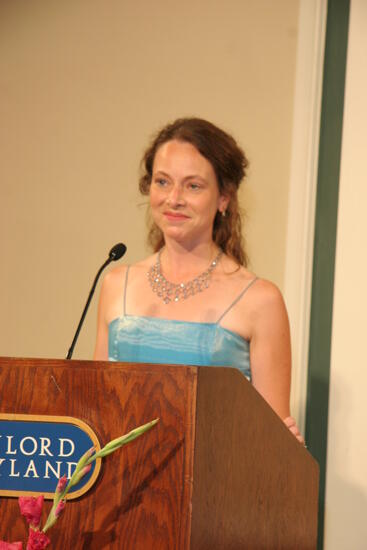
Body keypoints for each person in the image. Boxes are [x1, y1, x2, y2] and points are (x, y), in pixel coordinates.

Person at [94, 117, 303, 443]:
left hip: (216, 489)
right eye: (163, 182)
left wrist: (284, 446)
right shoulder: (115, 284)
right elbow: (98, 409)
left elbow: (270, 446)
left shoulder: (260, 299)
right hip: (123, 487)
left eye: (193, 186)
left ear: (224, 198)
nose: (173, 198)